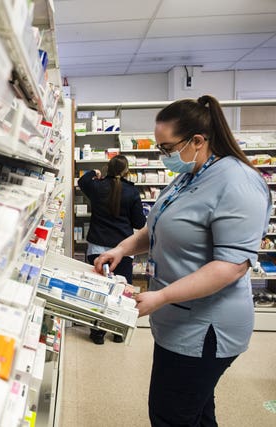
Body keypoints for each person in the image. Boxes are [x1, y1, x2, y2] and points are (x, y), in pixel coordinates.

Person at [93, 95, 271, 426]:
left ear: (198, 141)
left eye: (166, 148)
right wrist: (121, 249)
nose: (165, 157)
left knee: (171, 416)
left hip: (205, 328)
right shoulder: (189, 176)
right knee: (197, 412)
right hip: (178, 320)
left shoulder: (238, 183)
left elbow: (231, 266)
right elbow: (155, 228)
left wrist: (161, 296)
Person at [78, 155, 146, 344]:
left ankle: (97, 333)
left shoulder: (97, 186)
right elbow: (139, 222)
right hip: (122, 249)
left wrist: (95, 172)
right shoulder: (132, 191)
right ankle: (117, 331)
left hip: (97, 246)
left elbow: (82, 180)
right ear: (126, 171)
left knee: (98, 289)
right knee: (122, 289)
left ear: (108, 168)